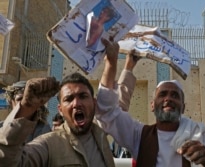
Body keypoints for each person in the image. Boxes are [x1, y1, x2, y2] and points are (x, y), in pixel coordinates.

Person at [95, 40, 205, 167]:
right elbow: (107, 112)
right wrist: (113, 64)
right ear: (152, 105)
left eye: (175, 95)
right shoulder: (139, 135)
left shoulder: (199, 134)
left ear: (183, 107)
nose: (168, 99)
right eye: (162, 94)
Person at [0, 38, 118, 167]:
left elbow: (107, 98)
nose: (76, 103)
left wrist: (111, 63)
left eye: (83, 96)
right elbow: (8, 162)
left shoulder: (100, 135)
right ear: (60, 110)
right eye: (69, 99)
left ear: (94, 103)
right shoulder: (48, 144)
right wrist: (26, 107)